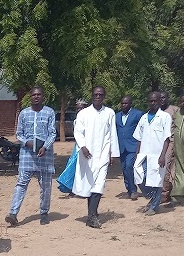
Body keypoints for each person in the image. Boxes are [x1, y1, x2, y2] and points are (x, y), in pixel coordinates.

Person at [5, 86, 56, 226]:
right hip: (27, 155)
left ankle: (44, 212)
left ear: (43, 96)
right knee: (21, 183)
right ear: (30, 97)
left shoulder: (49, 112)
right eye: (34, 95)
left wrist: (45, 146)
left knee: (46, 186)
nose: (36, 97)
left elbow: (52, 133)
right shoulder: (24, 113)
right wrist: (26, 142)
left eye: (39, 94)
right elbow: (19, 134)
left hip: (44, 155)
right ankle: (13, 213)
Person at [72, 86, 118, 228]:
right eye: (96, 94)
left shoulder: (109, 113)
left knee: (99, 185)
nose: (98, 97)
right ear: (92, 96)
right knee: (89, 186)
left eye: (101, 95)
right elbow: (78, 132)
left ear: (104, 96)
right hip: (87, 155)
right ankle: (92, 213)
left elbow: (112, 134)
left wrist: (113, 153)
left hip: (103, 154)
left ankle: (91, 217)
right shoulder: (84, 114)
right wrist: (83, 147)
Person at [131, 92, 173, 216]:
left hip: (157, 155)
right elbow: (139, 137)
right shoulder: (144, 117)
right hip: (144, 154)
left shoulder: (165, 117)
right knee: (138, 175)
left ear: (160, 102)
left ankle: (154, 206)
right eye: (151, 101)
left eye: (155, 101)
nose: (153, 103)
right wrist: (137, 153)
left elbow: (167, 138)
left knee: (157, 180)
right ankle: (153, 197)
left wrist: (162, 155)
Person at [56, 98, 88, 195]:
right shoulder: (76, 120)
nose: (79, 110)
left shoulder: (88, 120)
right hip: (77, 147)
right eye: (78, 109)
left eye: (81, 108)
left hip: (85, 147)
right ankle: (71, 187)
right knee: (73, 166)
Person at [115, 96, 144, 199]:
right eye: (122, 103)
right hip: (121, 147)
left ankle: (133, 191)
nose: (124, 105)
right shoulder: (117, 116)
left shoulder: (138, 114)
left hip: (133, 146)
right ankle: (129, 190)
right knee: (124, 168)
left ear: (130, 104)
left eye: (126, 103)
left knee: (129, 166)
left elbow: (143, 129)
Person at [159, 92, 180, 204]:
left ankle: (164, 194)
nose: (161, 99)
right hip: (157, 143)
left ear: (168, 98)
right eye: (160, 98)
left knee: (166, 166)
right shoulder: (155, 111)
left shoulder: (175, 110)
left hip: (171, 142)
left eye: (163, 97)